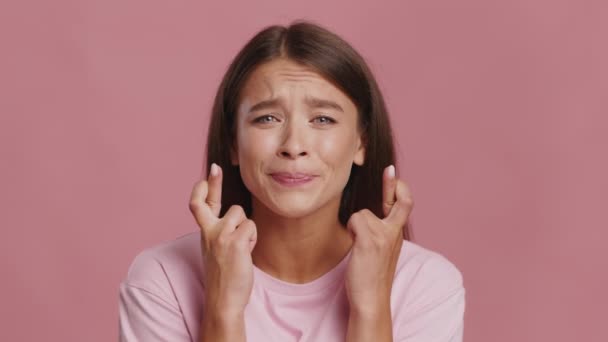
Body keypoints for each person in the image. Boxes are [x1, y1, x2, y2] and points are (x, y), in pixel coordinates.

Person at [119, 20, 465, 342]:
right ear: (232, 144)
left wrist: (371, 307)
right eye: (267, 118)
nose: (294, 146)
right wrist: (222, 310)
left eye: (323, 119)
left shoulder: (425, 284)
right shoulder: (161, 279)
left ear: (362, 142)